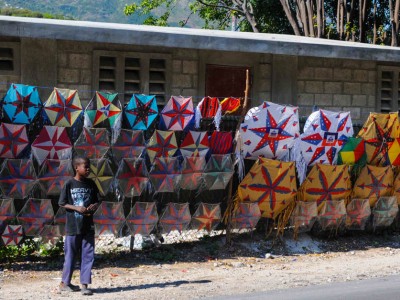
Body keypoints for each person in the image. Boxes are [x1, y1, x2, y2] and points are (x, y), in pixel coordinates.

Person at [58, 156, 100, 296]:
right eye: (85, 166)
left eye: (89, 167)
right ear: (77, 167)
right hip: (73, 227)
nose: (88, 169)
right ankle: (65, 283)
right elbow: (62, 203)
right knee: (70, 255)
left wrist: (93, 206)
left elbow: (96, 201)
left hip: (88, 226)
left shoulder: (91, 184)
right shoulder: (69, 184)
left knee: (88, 255)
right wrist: (77, 208)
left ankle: (84, 285)